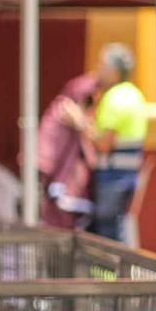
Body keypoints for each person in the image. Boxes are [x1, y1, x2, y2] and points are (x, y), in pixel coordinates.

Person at [66, 43, 150, 242]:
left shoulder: (115, 99)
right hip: (128, 174)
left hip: (113, 177)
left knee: (108, 233)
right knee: (117, 226)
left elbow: (103, 144)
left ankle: (113, 274)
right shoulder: (134, 94)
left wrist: (79, 122)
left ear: (113, 71)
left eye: (101, 65)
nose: (97, 70)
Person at [36, 71, 101, 228]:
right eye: (88, 101)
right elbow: (47, 146)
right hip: (61, 179)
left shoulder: (72, 112)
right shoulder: (65, 110)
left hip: (65, 181)